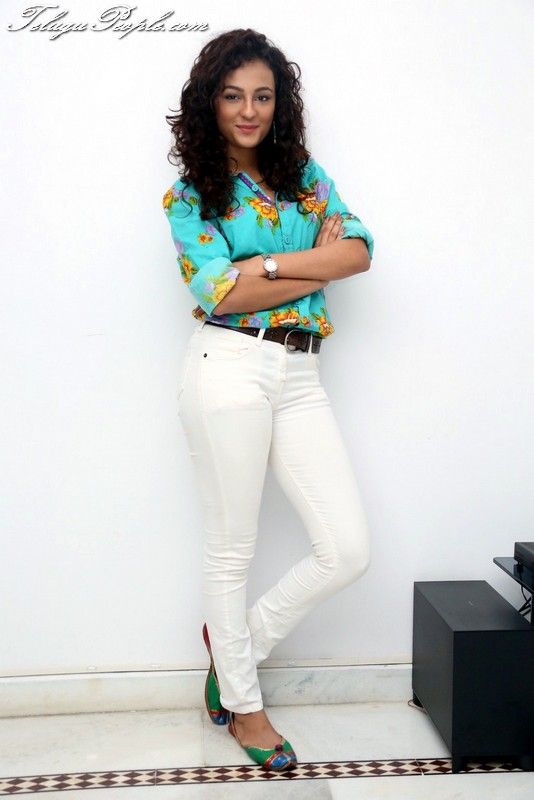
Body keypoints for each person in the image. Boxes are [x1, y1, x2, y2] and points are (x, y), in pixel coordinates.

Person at [162, 28, 374, 772]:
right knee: (232, 549)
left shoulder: (303, 175)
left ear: (280, 104)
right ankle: (245, 708)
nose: (249, 110)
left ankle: (235, 648)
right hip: (227, 367)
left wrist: (269, 265)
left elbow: (359, 251)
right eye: (233, 96)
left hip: (302, 374)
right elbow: (220, 292)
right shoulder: (191, 195)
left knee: (347, 549)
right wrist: (313, 264)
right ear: (210, 103)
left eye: (262, 96)